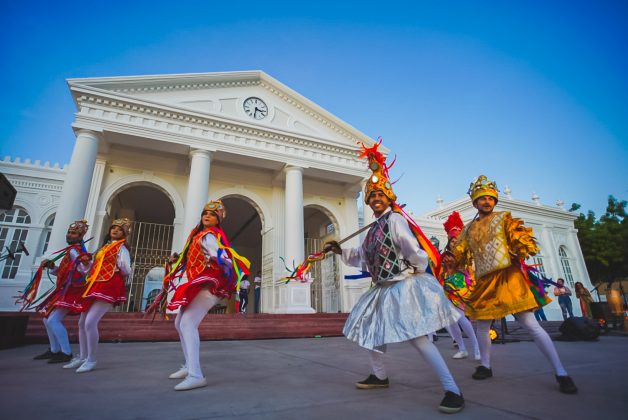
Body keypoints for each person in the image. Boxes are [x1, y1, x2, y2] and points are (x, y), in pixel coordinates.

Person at [325, 141, 464, 414]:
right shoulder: (373, 228)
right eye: (372, 197)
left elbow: (414, 251)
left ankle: (452, 390)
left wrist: (418, 271)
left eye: (381, 196)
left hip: (403, 285)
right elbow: (364, 257)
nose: (376, 200)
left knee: (419, 338)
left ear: (389, 199)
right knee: (372, 332)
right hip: (382, 288)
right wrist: (340, 250)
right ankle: (379, 376)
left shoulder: (395, 221)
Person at [454, 175, 577, 394]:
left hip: (508, 277)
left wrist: (519, 248)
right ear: (474, 202)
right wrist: (451, 255)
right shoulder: (468, 230)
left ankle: (561, 372)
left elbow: (522, 240)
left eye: (490, 198)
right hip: (484, 282)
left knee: (530, 324)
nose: (487, 202)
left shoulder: (504, 219)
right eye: (482, 198)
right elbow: (459, 255)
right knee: (482, 326)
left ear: (495, 201)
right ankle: (485, 365)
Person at [166, 199, 250, 391]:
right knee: (179, 323)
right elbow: (190, 258)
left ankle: (196, 375)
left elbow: (223, 257)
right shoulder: (198, 236)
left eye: (212, 214)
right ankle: (189, 367)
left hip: (208, 283)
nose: (207, 216)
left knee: (187, 323)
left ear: (218, 219)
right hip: (197, 282)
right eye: (205, 213)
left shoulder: (211, 236)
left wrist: (224, 261)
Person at [67, 218, 132, 373]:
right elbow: (89, 269)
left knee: (90, 322)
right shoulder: (102, 248)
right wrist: (83, 262)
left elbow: (126, 269)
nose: (115, 231)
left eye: (119, 229)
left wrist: (115, 268)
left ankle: (91, 359)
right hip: (93, 283)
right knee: (82, 322)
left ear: (124, 234)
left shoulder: (122, 249)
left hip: (109, 284)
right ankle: (83, 357)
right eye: (113, 228)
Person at [32, 220, 90, 364]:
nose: (70, 235)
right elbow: (64, 272)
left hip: (72, 290)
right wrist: (52, 266)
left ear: (81, 236)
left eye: (74, 233)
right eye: (69, 232)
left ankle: (66, 352)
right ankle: (54, 350)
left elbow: (84, 271)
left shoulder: (75, 251)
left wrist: (84, 262)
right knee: (47, 319)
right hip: (64, 288)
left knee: (53, 319)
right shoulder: (71, 250)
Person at [440, 212, 480, 361]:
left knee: (461, 318)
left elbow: (471, 270)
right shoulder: (444, 256)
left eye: (457, 240)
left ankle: (476, 347)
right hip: (446, 289)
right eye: (452, 240)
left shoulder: (466, 254)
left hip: (461, 289)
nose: (454, 243)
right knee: (450, 321)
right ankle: (462, 348)